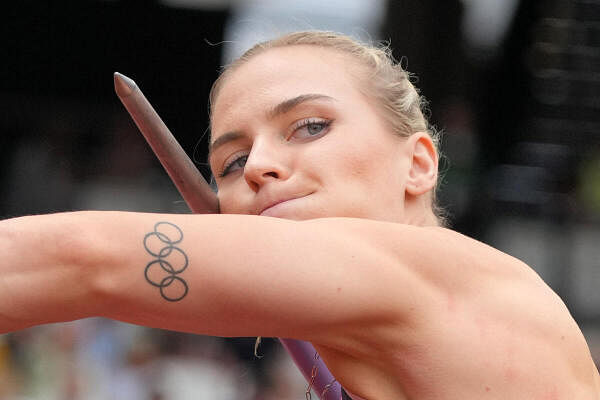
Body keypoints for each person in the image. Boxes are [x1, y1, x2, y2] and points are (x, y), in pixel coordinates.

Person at [1, 31, 599, 399]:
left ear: (417, 164)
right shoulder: (377, 344)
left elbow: (84, 259)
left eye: (310, 126)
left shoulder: (437, 276)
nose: (259, 165)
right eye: (230, 163)